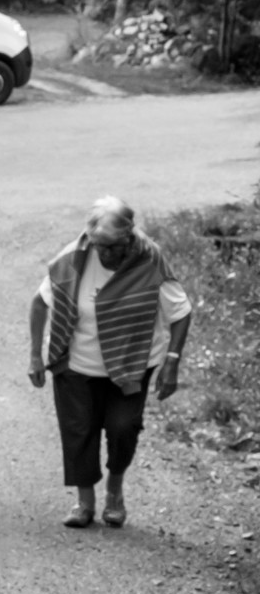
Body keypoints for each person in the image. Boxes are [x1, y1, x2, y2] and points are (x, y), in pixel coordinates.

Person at [28, 196, 192, 528]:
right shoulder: (73, 258)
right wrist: (35, 355)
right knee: (78, 431)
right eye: (99, 245)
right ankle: (84, 502)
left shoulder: (149, 261)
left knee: (123, 429)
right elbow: (39, 302)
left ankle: (114, 490)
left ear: (129, 237)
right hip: (76, 365)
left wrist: (172, 362)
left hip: (132, 365)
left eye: (113, 246)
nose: (104, 254)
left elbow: (181, 311)